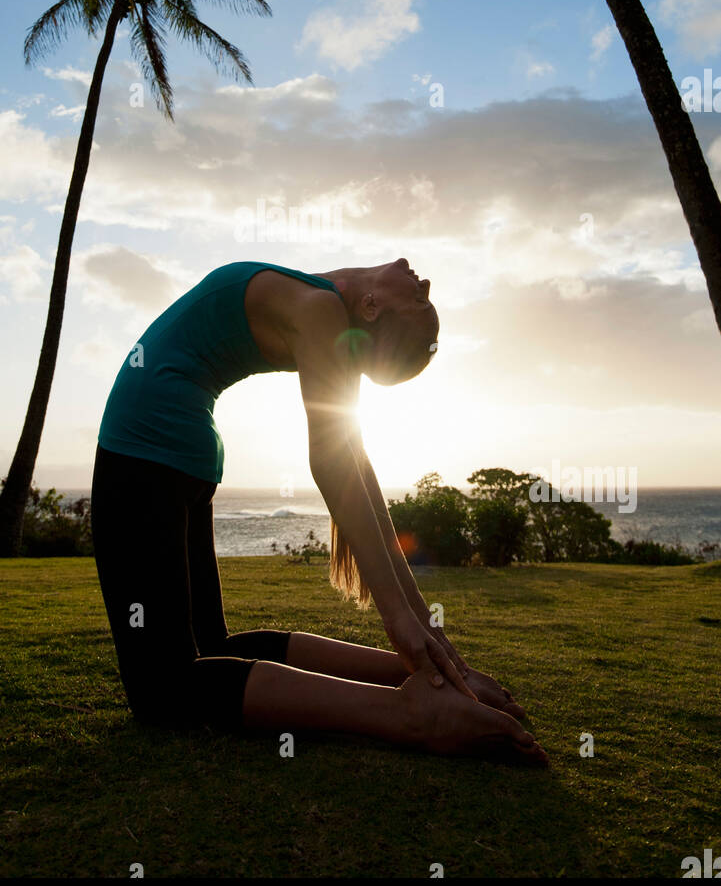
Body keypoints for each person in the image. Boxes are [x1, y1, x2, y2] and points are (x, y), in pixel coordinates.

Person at [90, 258, 547, 765]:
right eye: (422, 298)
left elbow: (340, 462)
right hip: (180, 447)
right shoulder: (327, 303)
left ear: (371, 307)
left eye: (419, 300)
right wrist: (424, 639)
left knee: (165, 688)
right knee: (211, 646)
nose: (425, 282)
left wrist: (413, 623)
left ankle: (409, 712)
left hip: (146, 445)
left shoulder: (323, 308)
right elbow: (352, 464)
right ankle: (412, 682)